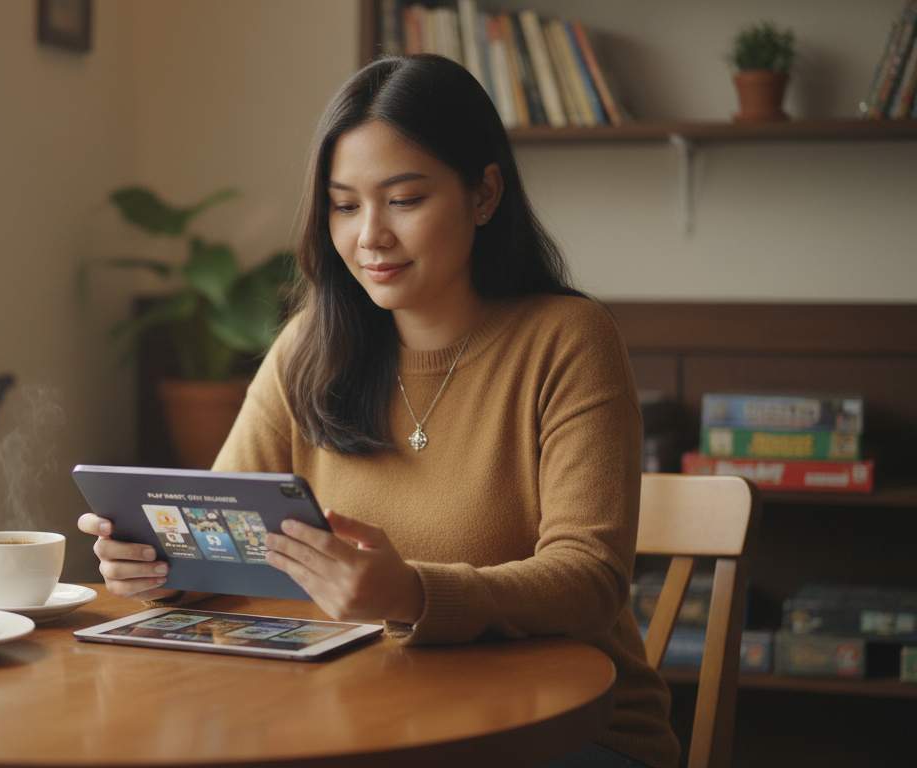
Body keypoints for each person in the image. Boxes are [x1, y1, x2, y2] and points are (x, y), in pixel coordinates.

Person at [78, 54, 679, 768]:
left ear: (484, 194)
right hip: (363, 719)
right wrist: (164, 565)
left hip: (564, 732)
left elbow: (590, 580)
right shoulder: (309, 347)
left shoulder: (567, 340)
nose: (370, 236)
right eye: (344, 205)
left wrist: (414, 593)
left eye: (404, 199)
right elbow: (228, 531)